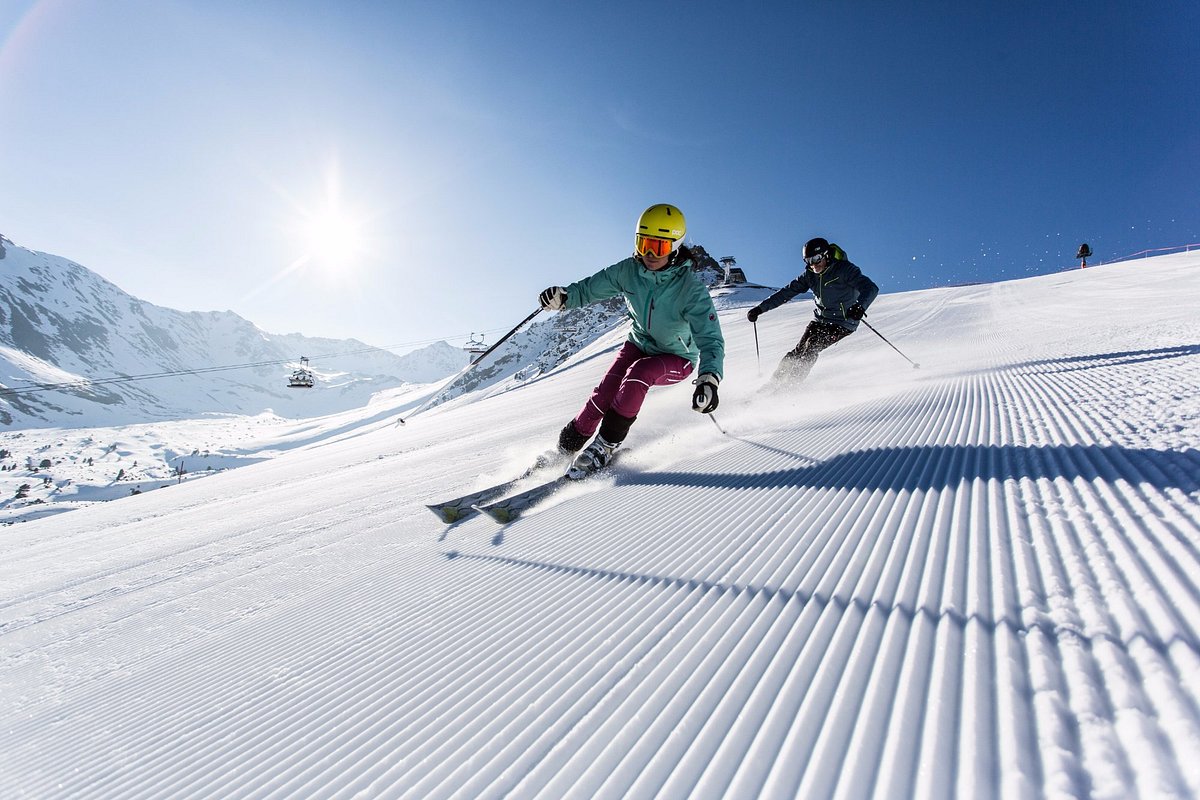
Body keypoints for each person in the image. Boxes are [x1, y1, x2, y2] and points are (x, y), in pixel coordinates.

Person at [538, 203, 726, 479]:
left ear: (675, 247)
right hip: (638, 343)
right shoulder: (630, 270)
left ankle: (604, 446)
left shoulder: (690, 290)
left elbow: (710, 340)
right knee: (604, 392)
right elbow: (593, 287)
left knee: (640, 373)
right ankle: (565, 449)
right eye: (643, 244)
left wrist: (709, 378)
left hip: (677, 357)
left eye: (658, 247)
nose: (649, 254)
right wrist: (566, 297)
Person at [746, 237, 879, 386]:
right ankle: (771, 385)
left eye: (816, 259)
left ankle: (789, 387)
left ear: (826, 255)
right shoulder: (810, 275)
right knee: (796, 353)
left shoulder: (845, 269)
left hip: (843, 322)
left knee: (812, 346)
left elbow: (871, 288)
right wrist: (760, 309)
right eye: (808, 261)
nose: (813, 265)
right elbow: (786, 293)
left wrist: (860, 307)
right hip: (820, 320)